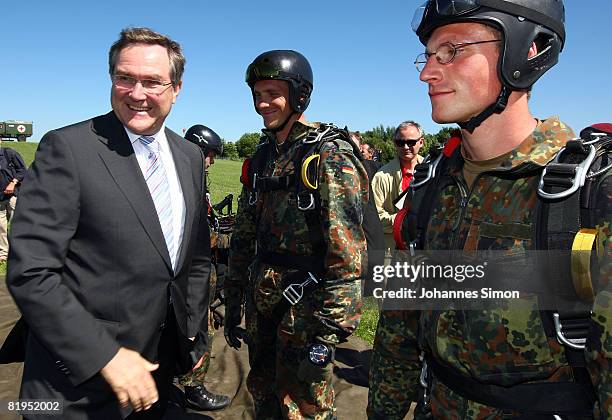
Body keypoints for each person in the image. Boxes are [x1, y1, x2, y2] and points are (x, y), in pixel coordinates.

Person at [368, 0, 611, 419]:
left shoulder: (589, 195)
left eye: (453, 51)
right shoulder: (430, 185)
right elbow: (401, 323)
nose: (427, 72)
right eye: (428, 56)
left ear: (526, 51)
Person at [6, 27, 211, 420]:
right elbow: (31, 272)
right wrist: (106, 356)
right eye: (124, 78)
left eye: (152, 81)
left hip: (156, 371)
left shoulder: (188, 157)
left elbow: (196, 257)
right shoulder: (68, 149)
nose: (137, 93)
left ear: (177, 88)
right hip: (75, 384)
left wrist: (192, 330)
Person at [224, 50, 368, 419]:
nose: (262, 103)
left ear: (299, 96)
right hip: (263, 298)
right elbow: (243, 231)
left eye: (273, 93)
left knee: (305, 405)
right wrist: (234, 294)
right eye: (257, 94)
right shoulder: (262, 156)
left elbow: (347, 256)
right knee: (262, 389)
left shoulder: (328, 156)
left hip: (307, 306)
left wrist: (330, 331)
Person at [179, 124, 231, 411]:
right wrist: (222, 239)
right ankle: (194, 386)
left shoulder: (192, 176)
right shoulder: (189, 179)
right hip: (192, 272)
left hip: (193, 269)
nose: (211, 162)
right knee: (200, 328)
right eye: (210, 155)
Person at [371, 121, 424, 250]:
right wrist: (403, 221)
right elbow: (375, 216)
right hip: (393, 249)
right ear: (395, 143)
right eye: (400, 142)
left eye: (411, 142)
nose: (405, 147)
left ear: (421, 142)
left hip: (424, 247)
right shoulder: (381, 176)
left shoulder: (433, 171)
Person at [0, 139, 26, 262]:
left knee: (17, 225)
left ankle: (19, 254)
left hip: (13, 197)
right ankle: (4, 255)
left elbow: (22, 171)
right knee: (1, 227)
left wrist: (13, 183)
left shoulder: (9, 154)